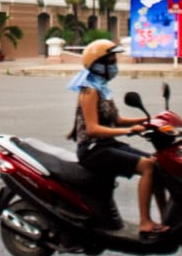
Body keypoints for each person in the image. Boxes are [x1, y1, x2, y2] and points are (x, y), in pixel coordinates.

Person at [67, 39, 168, 238]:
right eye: (111, 61)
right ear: (98, 64)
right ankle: (145, 222)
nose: (114, 66)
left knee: (158, 163)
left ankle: (166, 217)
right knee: (147, 165)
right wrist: (129, 131)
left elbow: (117, 120)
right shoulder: (90, 90)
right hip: (92, 150)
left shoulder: (102, 87)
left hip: (106, 144)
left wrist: (149, 120)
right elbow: (93, 129)